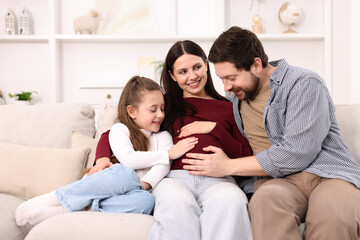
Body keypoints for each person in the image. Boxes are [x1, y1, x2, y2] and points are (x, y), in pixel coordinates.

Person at [182, 26, 360, 240]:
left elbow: (297, 153)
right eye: (221, 79)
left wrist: (227, 166)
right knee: (264, 203)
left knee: (333, 215)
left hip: (327, 175)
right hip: (275, 183)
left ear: (256, 64)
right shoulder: (233, 100)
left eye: (231, 77)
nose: (227, 86)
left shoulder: (303, 83)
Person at [15, 76, 198, 226]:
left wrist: (146, 184)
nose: (160, 114)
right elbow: (129, 160)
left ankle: (77, 210)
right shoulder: (119, 130)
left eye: (162, 109)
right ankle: (59, 197)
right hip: (108, 184)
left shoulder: (162, 137)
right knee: (124, 174)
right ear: (132, 111)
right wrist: (167, 154)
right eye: (153, 109)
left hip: (135, 190)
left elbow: (163, 167)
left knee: (146, 201)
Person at [148, 40, 253, 240]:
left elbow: (245, 153)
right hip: (175, 179)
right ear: (172, 75)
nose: (192, 76)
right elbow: (118, 131)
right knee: (176, 204)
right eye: (183, 71)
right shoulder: (164, 104)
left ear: (206, 65)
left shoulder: (229, 106)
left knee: (233, 201)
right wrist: (101, 159)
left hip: (219, 181)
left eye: (197, 67)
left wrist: (215, 129)